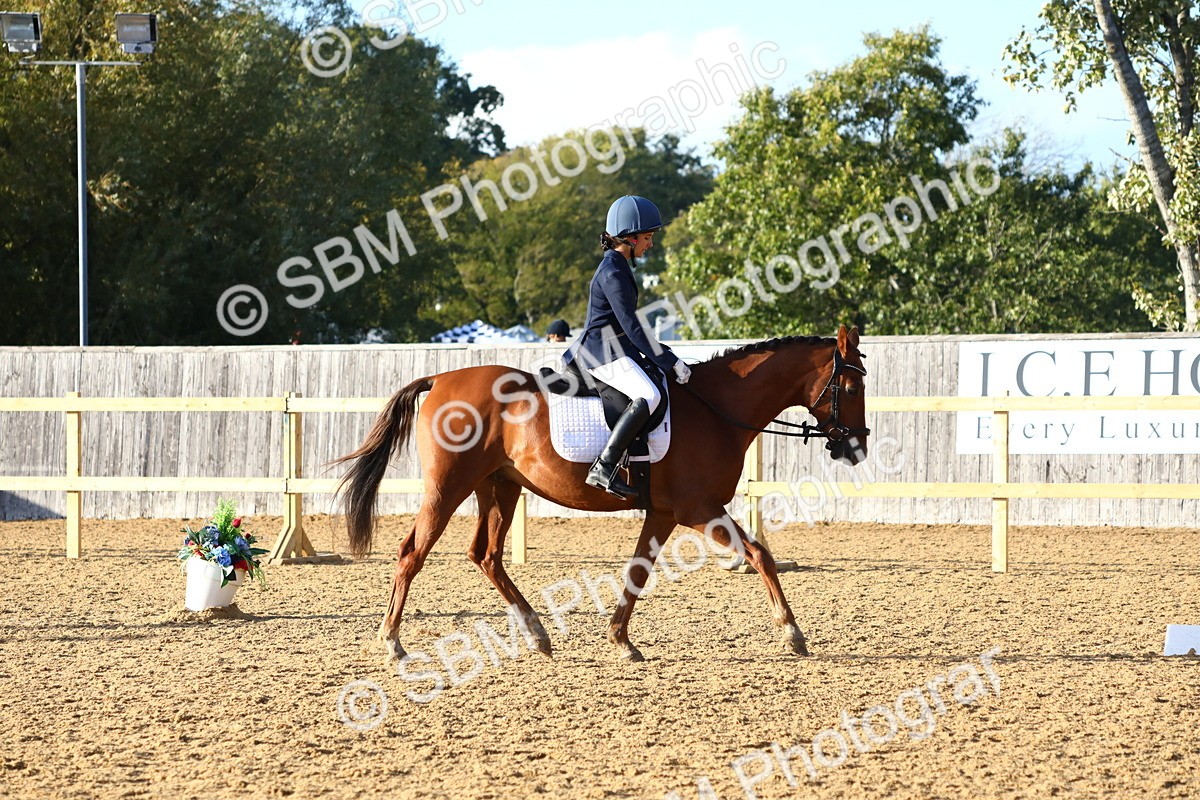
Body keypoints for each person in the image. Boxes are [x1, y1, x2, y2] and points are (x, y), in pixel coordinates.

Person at [563, 195, 691, 498]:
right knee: (649, 394)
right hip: (601, 353)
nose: (651, 243)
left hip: (614, 348)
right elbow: (632, 328)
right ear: (630, 238)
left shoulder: (619, 266)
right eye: (647, 238)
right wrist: (669, 360)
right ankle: (604, 466)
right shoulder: (613, 272)